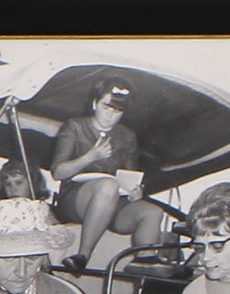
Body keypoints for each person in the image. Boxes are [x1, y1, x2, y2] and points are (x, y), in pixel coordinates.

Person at [51, 79, 157, 266]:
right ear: (94, 104)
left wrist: (135, 191)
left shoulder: (127, 136)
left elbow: (129, 176)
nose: (110, 115)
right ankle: (82, 256)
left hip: (112, 199)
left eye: (116, 111)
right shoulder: (74, 126)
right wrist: (90, 156)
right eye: (105, 107)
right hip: (74, 200)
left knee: (153, 213)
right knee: (108, 186)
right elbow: (58, 172)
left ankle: (145, 264)